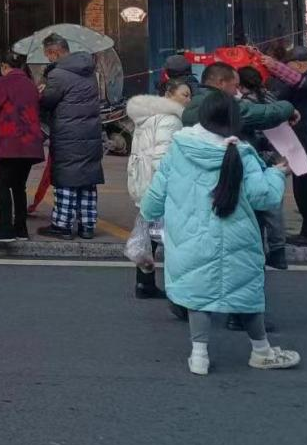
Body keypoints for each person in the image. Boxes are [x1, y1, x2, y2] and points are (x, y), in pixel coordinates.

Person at [140, 91, 299, 376]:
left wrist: (148, 216)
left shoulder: (179, 148)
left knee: (198, 295)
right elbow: (264, 197)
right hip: (237, 240)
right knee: (247, 296)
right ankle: (261, 351)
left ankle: (199, 356)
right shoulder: (241, 152)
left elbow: (154, 198)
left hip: (189, 239)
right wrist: (277, 173)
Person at [125, 78, 192, 298]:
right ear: (169, 94)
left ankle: (144, 283)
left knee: (151, 235)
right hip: (159, 185)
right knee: (170, 238)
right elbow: (162, 158)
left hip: (142, 180)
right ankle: (176, 289)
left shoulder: (147, 114)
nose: (188, 100)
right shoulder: (170, 119)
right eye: (184, 94)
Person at [0, 51, 44, 243]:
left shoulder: (1, 82)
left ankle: (5, 228)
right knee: (19, 186)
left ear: (4, 66)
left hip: (11, 142)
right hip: (31, 144)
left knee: (1, 184)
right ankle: (20, 228)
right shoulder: (31, 84)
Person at [36, 34, 104, 241]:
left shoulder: (59, 74)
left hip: (68, 134)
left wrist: (42, 90)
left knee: (66, 178)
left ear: (55, 52)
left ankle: (62, 225)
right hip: (90, 133)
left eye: (48, 55)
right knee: (86, 179)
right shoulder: (89, 71)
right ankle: (87, 226)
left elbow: (47, 102)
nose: (48, 59)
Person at [238, 66, 289, 270]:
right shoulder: (271, 98)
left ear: (241, 85)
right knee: (274, 204)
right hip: (276, 155)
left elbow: (253, 132)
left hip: (256, 156)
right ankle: (278, 251)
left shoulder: (245, 104)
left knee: (255, 204)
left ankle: (257, 250)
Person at [263, 46, 307, 247]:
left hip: (302, 142)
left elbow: (297, 81)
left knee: (303, 188)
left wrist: (274, 66)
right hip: (297, 142)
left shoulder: (301, 81)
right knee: (301, 188)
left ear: (300, 65)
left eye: (291, 67)